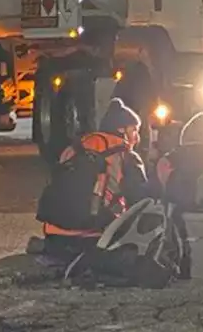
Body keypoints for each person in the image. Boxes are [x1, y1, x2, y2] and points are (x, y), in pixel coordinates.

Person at [35, 98, 149, 260]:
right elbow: (141, 200)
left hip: (54, 234)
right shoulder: (126, 156)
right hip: (92, 237)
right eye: (134, 131)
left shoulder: (75, 147)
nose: (137, 138)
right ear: (121, 130)